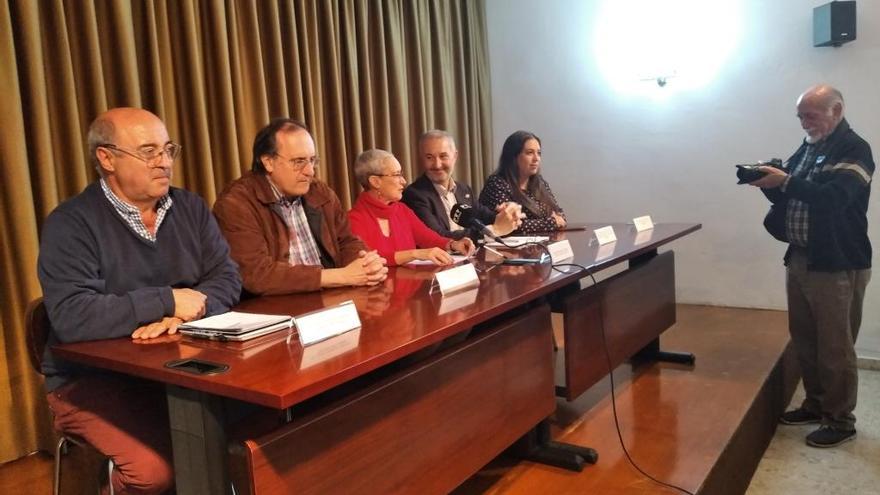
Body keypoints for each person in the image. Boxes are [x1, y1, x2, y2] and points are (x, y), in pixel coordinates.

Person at [37, 107, 242, 493]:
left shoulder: (190, 208)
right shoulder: (70, 223)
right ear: (106, 157)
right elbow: (72, 316)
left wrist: (190, 309)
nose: (164, 162)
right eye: (149, 152)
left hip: (180, 367)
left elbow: (227, 276)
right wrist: (165, 300)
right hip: (91, 379)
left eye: (168, 150)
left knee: (257, 432)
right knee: (155, 471)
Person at [751, 84, 873, 448]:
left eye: (811, 115)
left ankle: (840, 420)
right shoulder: (810, 146)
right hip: (802, 257)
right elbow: (792, 192)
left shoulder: (855, 148)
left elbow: (833, 199)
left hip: (836, 262)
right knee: (805, 338)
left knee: (835, 345)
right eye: (801, 116)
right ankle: (816, 404)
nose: (804, 122)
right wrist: (767, 181)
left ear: (836, 110)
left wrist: (785, 180)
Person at [213, 118, 388, 295]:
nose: (310, 171)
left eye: (312, 160)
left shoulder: (320, 192)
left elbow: (347, 241)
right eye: (299, 162)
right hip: (273, 308)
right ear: (268, 162)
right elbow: (256, 274)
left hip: (328, 298)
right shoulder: (236, 203)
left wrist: (365, 264)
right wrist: (340, 276)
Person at [348, 149, 475, 266]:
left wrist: (453, 245)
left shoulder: (402, 210)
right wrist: (414, 254)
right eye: (397, 175)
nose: (403, 181)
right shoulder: (353, 219)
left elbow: (429, 238)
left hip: (411, 286)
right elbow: (367, 261)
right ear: (375, 181)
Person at [402, 129, 521, 240]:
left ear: (455, 156)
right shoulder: (414, 195)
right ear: (421, 159)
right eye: (429, 157)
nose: (437, 164)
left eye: (443, 156)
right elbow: (437, 236)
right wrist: (494, 230)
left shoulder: (464, 190)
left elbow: (488, 217)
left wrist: (508, 213)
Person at [479, 130, 566, 234]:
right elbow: (511, 226)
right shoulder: (496, 184)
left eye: (539, 153)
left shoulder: (540, 182)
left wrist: (556, 220)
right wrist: (551, 223)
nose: (536, 158)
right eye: (529, 153)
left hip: (541, 245)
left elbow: (560, 215)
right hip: (506, 248)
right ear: (513, 157)